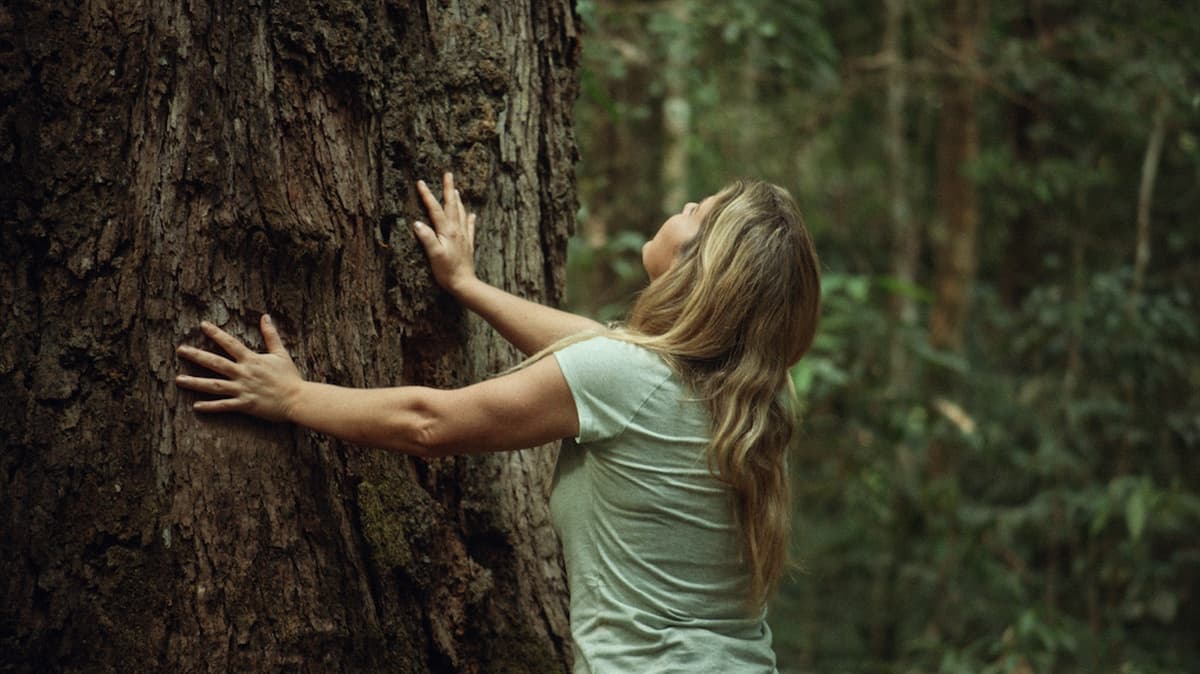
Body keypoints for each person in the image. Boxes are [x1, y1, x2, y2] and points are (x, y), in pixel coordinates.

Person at [175, 172, 821, 673]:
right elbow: (598, 344)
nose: (684, 208)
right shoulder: (757, 402)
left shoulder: (626, 380)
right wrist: (469, 286)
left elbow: (429, 423)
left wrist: (292, 397)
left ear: (702, 269)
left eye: (697, 214)